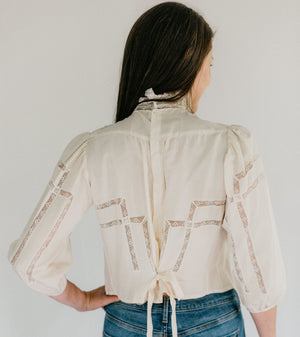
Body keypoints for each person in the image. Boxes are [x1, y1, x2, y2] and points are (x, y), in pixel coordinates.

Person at [7, 2, 286, 337]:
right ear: (189, 65)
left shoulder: (94, 148)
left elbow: (30, 259)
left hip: (127, 320)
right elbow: (259, 269)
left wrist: (80, 300)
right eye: (209, 64)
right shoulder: (229, 146)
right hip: (212, 321)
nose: (209, 77)